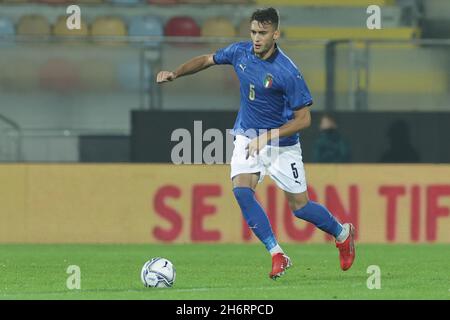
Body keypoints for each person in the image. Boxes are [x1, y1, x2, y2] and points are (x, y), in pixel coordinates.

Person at [156, 8, 355, 280]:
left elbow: (304, 119)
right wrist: (175, 73)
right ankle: (277, 254)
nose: (256, 38)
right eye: (253, 32)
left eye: (262, 33)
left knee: (301, 208)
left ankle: (342, 234)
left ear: (276, 33)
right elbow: (206, 59)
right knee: (241, 190)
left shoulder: (287, 71)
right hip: (247, 135)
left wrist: (268, 136)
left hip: (282, 144)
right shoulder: (240, 53)